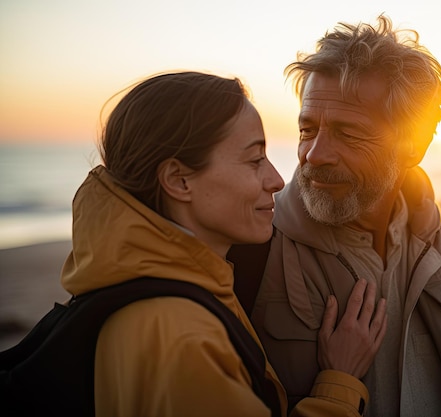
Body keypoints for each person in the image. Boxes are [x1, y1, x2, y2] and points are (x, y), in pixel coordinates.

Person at [228, 15, 441, 416]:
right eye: (307, 130)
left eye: (348, 133)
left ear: (412, 145)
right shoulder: (245, 259)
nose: (315, 155)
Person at [60, 71, 387, 416]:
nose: (277, 180)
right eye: (254, 160)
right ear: (179, 180)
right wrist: (339, 385)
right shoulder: (181, 337)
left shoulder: (171, 284)